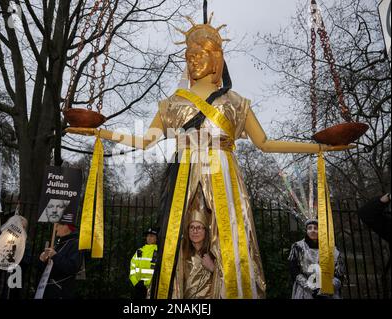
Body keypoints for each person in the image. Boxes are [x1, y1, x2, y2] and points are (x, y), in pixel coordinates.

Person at [66, 16, 352, 299]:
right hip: (184, 174)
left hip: (224, 177)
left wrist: (317, 149)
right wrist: (102, 134)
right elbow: (144, 141)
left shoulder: (235, 103)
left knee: (232, 241)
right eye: (188, 56)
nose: (192, 61)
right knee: (178, 238)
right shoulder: (172, 103)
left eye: (199, 55)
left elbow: (264, 144)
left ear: (216, 58)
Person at [288, 219, 345, 299]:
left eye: (316, 228)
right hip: (305, 292)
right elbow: (294, 270)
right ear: (306, 230)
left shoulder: (331, 248)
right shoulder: (298, 247)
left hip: (329, 292)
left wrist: (327, 288)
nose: (313, 231)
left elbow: (339, 273)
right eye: (309, 228)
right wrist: (309, 286)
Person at [38, 216, 82, 299]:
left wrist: (55, 256)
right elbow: (49, 269)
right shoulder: (58, 243)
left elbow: (72, 267)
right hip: (48, 290)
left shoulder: (76, 244)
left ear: (66, 227)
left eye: (57, 225)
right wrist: (42, 260)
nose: (55, 228)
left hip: (61, 291)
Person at [129, 227, 159, 299]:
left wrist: (149, 284)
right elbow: (132, 268)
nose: (149, 238)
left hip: (152, 288)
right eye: (148, 236)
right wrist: (135, 282)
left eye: (151, 236)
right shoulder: (139, 251)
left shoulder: (159, 252)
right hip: (138, 288)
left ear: (156, 238)